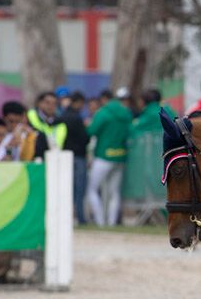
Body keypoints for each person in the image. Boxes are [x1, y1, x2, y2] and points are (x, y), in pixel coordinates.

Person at [87, 88, 133, 226]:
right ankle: (112, 222)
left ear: (103, 99)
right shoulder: (126, 113)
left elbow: (91, 131)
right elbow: (130, 132)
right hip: (120, 156)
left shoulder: (103, 113)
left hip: (103, 156)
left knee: (92, 189)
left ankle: (100, 221)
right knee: (114, 193)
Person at [61, 91, 90, 225]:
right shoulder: (77, 118)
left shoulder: (63, 115)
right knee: (80, 189)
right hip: (78, 156)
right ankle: (80, 217)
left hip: (65, 156)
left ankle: (67, 217)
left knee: (68, 189)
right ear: (78, 102)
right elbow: (84, 138)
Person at [27, 91, 66, 159]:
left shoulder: (61, 124)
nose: (50, 106)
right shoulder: (30, 115)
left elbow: (59, 145)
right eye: (47, 102)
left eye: (54, 104)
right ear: (40, 103)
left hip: (52, 159)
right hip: (32, 159)